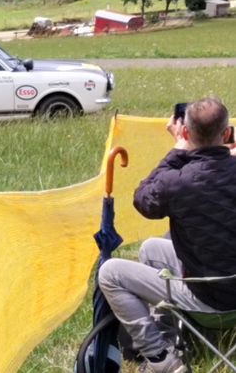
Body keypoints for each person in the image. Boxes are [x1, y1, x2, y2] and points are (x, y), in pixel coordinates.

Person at [98, 97, 236, 373]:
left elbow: (143, 199)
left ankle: (161, 359)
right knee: (151, 248)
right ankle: (169, 337)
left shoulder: (176, 182)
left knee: (110, 273)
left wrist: (178, 149)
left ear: (184, 131)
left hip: (210, 302)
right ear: (227, 134)